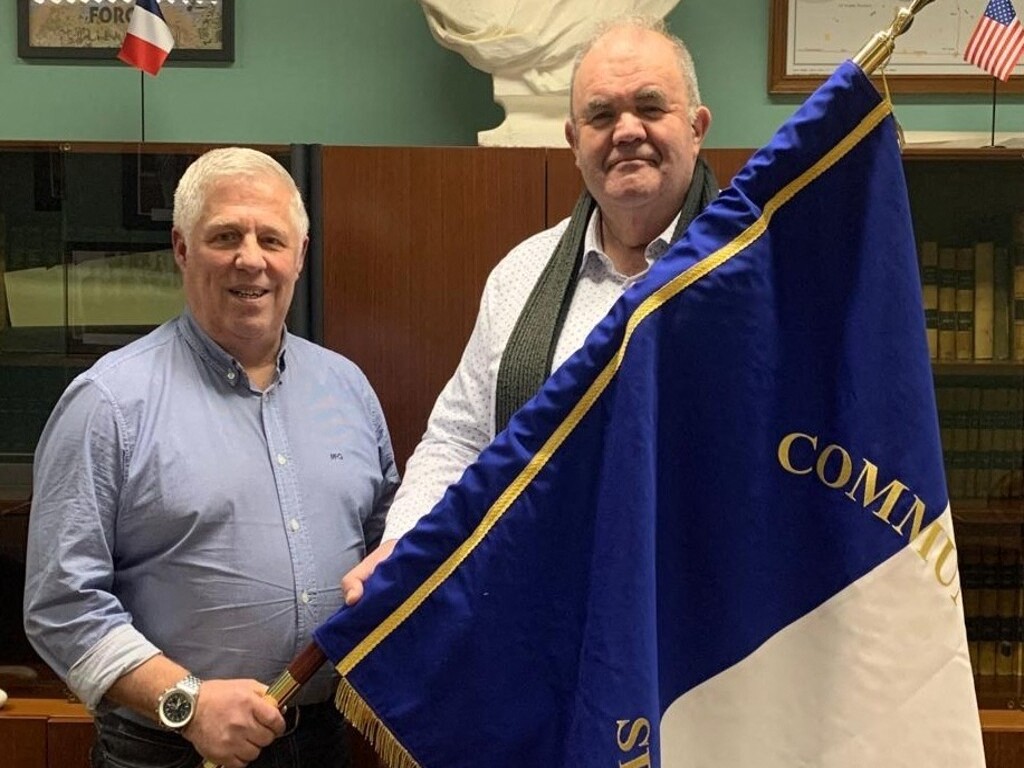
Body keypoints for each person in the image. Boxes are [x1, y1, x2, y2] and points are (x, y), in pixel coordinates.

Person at [23, 147, 399, 768]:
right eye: (225, 235)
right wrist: (188, 702)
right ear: (181, 249)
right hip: (167, 749)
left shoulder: (348, 388)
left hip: (324, 741)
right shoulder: (108, 403)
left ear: (299, 256)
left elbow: (387, 551)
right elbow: (61, 605)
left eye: (271, 239)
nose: (250, 258)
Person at [342, 15, 714, 604]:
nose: (625, 131)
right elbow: (461, 438)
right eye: (600, 115)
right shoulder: (521, 274)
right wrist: (406, 548)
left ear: (696, 127)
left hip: (699, 613)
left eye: (649, 106)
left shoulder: (753, 273)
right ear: (573, 141)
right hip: (541, 610)